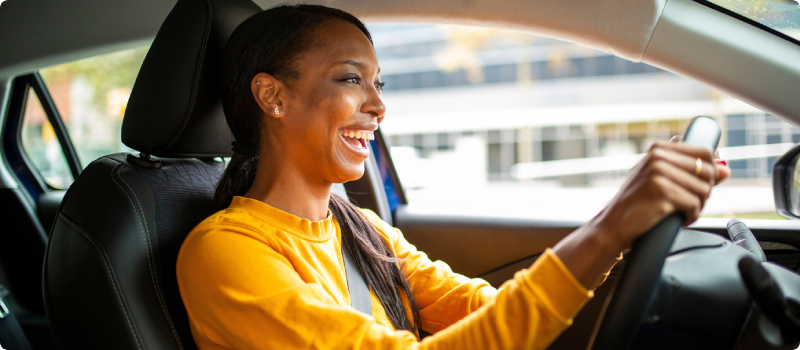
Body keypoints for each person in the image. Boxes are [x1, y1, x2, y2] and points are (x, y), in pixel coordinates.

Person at [176, 4, 731, 349]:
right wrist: (609, 229)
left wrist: (622, 222)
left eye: (379, 85)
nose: (377, 106)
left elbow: (487, 314)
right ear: (273, 96)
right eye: (351, 79)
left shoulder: (362, 229)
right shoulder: (225, 254)